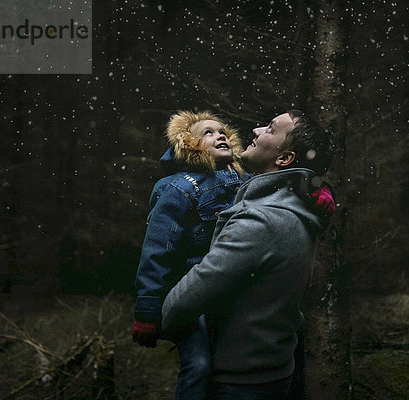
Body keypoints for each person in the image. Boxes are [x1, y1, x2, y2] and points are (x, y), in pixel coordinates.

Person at [132, 111, 333, 399]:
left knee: (197, 366)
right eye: (208, 133)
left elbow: (186, 300)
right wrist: (148, 309)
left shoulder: (258, 215)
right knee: (197, 365)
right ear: (190, 145)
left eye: (270, 128)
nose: (255, 129)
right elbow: (156, 251)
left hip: (241, 378)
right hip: (272, 362)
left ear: (284, 158)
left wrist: (163, 314)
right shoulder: (283, 202)